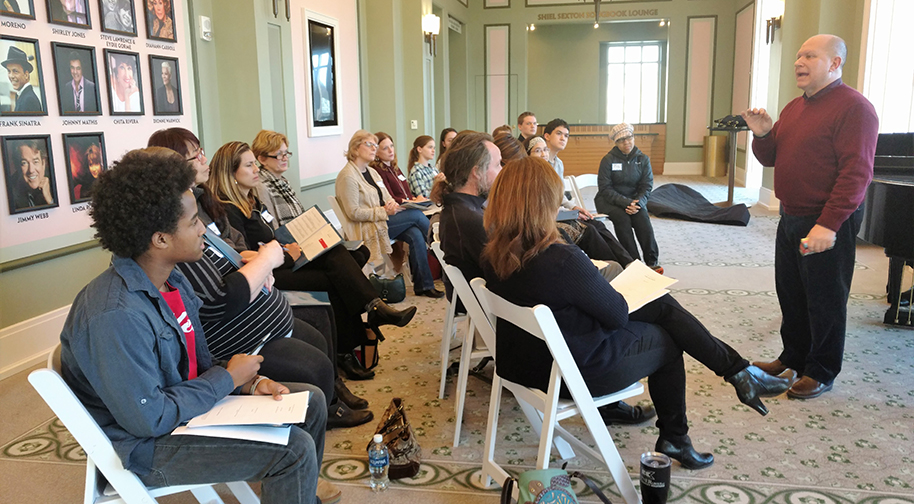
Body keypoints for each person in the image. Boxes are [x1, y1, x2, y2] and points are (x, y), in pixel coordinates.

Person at [480, 157, 794, 469]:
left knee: (660, 308)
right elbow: (615, 315)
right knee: (668, 337)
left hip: (526, 366)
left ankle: (737, 373)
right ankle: (691, 422)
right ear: (544, 204)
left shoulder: (493, 253)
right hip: (570, 375)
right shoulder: (560, 258)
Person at [59, 147, 332, 504]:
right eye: (192, 222)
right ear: (160, 239)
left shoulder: (173, 282)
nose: (203, 227)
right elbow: (149, 418)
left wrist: (250, 384)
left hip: (180, 413)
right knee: (292, 451)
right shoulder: (114, 315)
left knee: (311, 402)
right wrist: (227, 379)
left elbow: (191, 367)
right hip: (147, 447)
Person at [149, 128, 373, 428]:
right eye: (196, 154)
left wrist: (255, 263)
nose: (204, 159)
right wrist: (264, 261)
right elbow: (216, 300)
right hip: (240, 332)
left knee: (331, 286)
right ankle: (330, 396)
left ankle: (338, 382)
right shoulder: (179, 233)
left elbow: (234, 248)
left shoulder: (205, 200)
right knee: (328, 301)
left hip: (263, 295)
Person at [434, 131, 641, 425]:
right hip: (525, 323)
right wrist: (569, 263)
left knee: (592, 251)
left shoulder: (464, 209)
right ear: (476, 172)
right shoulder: (472, 220)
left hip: (513, 313)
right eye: (497, 165)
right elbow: (521, 269)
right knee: (609, 275)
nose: (503, 171)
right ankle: (607, 394)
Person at [741, 34, 879, 399]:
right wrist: (764, 134)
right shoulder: (794, 107)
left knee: (825, 299)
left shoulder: (855, 109)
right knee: (792, 293)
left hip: (825, 220)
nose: (799, 61)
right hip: (791, 215)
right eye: (799, 54)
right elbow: (773, 158)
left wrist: (829, 224)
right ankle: (793, 357)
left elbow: (856, 174)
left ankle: (821, 369)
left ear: (835, 63)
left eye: (810, 56)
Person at [209, 140, 419, 374]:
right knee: (336, 275)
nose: (256, 169)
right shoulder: (229, 209)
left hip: (283, 256)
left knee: (341, 255)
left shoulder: (252, 200)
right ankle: (365, 322)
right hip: (269, 275)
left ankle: (364, 323)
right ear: (231, 173)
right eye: (249, 166)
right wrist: (289, 254)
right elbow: (249, 255)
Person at [335, 130, 444, 298]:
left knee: (415, 233)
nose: (374, 149)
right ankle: (444, 250)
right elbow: (353, 213)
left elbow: (387, 197)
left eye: (375, 145)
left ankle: (424, 286)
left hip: (384, 220)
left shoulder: (371, 172)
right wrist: (383, 211)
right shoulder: (348, 176)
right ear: (356, 149)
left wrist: (391, 204)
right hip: (367, 226)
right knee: (415, 216)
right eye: (369, 145)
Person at [595, 123, 662, 272]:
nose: (626, 142)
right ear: (616, 142)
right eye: (621, 140)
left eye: (629, 138)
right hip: (609, 201)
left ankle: (652, 262)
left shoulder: (643, 159)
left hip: (634, 200)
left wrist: (639, 203)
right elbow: (605, 189)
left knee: (642, 216)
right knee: (622, 219)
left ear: (633, 137)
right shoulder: (608, 160)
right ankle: (633, 263)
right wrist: (626, 203)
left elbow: (646, 185)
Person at [542, 118, 593, 219]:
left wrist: (573, 207)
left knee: (595, 224)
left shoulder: (559, 164)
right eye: (559, 133)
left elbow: (559, 194)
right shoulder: (540, 163)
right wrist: (567, 212)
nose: (563, 138)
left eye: (566, 136)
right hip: (545, 213)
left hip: (558, 210)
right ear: (547, 136)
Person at [370, 132, 423, 204]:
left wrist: (416, 199)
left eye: (391, 146)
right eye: (385, 148)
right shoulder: (377, 170)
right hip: (397, 208)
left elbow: (406, 192)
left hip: (408, 204)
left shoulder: (394, 168)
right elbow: (390, 197)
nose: (391, 150)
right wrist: (411, 202)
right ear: (376, 152)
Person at [9, 140, 54, 210]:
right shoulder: (10, 192)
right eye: (24, 163)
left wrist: (50, 201)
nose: (31, 170)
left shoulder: (56, 180)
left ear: (43, 163)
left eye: (35, 162)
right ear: (17, 166)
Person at [2, 46, 42, 113]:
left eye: (15, 71)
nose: (11, 76)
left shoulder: (29, 100)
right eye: (9, 71)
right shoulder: (20, 95)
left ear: (26, 75)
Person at [407, 135, 442, 199]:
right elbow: (423, 197)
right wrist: (436, 184)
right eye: (430, 147)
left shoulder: (433, 169)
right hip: (427, 207)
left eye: (434, 148)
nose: (433, 150)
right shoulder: (416, 171)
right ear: (419, 149)